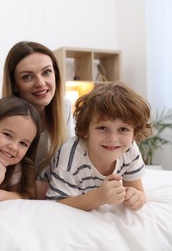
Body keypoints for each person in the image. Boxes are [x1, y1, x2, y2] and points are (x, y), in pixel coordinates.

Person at [45, 81, 152, 211]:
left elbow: (138, 190)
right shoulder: (70, 158)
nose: (113, 139)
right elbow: (56, 203)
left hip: (84, 191)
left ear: (135, 133)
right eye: (102, 128)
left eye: (123, 129)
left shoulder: (129, 149)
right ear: (86, 130)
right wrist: (98, 198)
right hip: (55, 188)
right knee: (39, 189)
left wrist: (137, 197)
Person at [2, 41, 74, 199]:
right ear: (15, 85)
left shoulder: (64, 108)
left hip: (56, 191)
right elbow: (4, 180)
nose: (41, 83)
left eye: (46, 72)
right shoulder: (4, 118)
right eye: (27, 77)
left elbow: (71, 164)